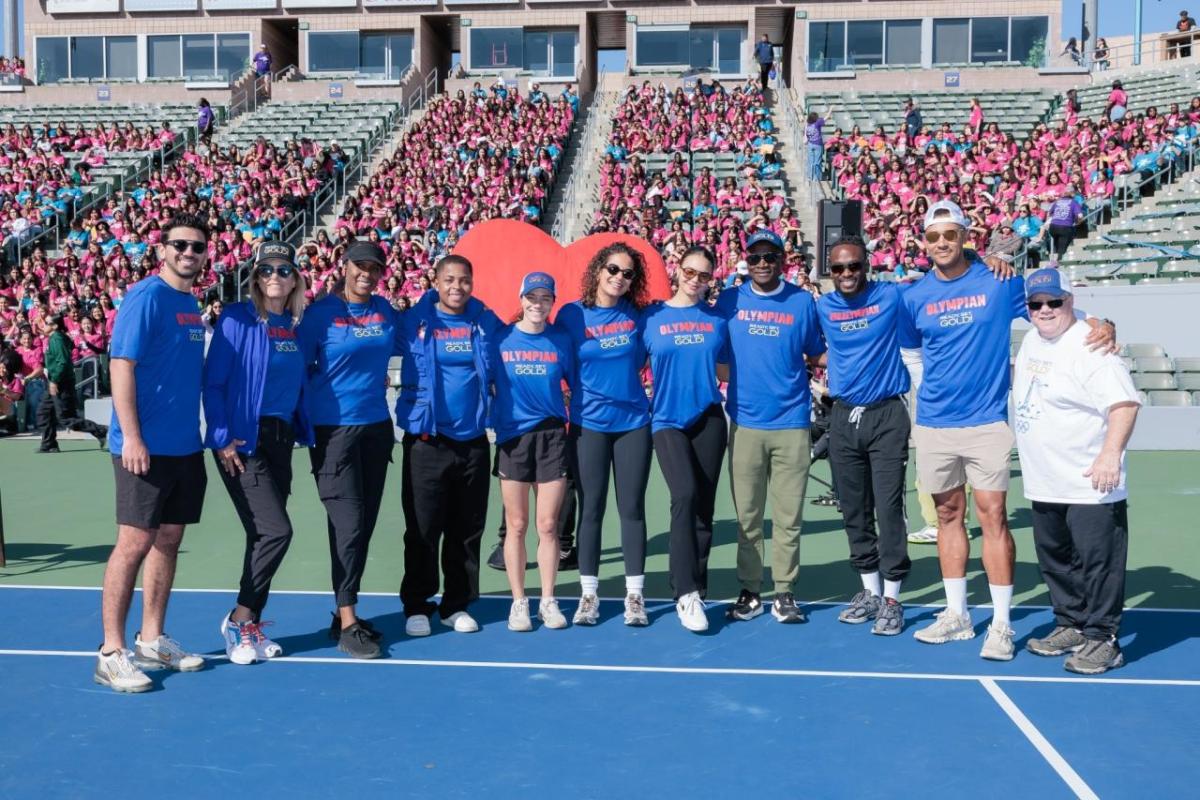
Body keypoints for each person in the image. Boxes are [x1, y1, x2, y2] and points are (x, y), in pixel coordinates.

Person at [896, 200, 1115, 662]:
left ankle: (1000, 624)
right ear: (923, 243)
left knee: (993, 516)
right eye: (933, 237)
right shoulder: (913, 296)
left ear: (964, 237)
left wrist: (1100, 320)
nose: (941, 244)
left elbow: (1052, 307)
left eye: (950, 235)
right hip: (935, 423)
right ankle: (956, 615)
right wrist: (926, 394)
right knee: (947, 516)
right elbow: (911, 353)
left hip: (987, 421)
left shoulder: (996, 282)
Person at [95, 213, 211, 693]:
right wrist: (133, 436)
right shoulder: (145, 297)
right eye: (180, 244)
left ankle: (151, 638)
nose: (188, 252)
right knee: (133, 544)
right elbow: (121, 365)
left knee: (167, 540)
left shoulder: (189, 302)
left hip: (185, 445)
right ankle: (110, 652)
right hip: (143, 447)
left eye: (197, 247)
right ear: (163, 248)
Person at [1014, 269, 1140, 675]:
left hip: (1089, 481)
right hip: (1045, 479)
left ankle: (1104, 638)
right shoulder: (1034, 337)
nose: (1045, 310)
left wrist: (1109, 455)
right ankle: (1071, 623)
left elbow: (1124, 405)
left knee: (1098, 563)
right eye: (1037, 304)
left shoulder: (1091, 346)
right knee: (1055, 559)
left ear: (1070, 300)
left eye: (1055, 301)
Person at [204, 241, 313, 665]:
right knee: (276, 531)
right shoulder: (236, 319)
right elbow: (212, 384)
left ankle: (250, 628)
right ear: (254, 278)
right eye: (265, 270)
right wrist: (221, 437)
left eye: (283, 270)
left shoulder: (294, 325)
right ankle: (238, 617)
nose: (274, 277)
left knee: (261, 535)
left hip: (280, 438)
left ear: (295, 279)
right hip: (242, 441)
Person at [298, 240, 402, 659]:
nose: (367, 274)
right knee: (350, 524)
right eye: (360, 266)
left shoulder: (385, 312)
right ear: (344, 267)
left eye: (374, 268)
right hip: (333, 432)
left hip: (376, 428)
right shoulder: (319, 315)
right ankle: (348, 621)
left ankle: (342, 612)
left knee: (362, 525)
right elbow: (298, 368)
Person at [719, 230, 825, 625]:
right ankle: (750, 591)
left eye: (771, 256)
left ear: (783, 260)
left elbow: (816, 354)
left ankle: (784, 591)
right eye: (756, 256)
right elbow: (712, 355)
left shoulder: (801, 302)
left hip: (792, 423)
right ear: (746, 259)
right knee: (747, 517)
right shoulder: (729, 301)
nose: (763, 263)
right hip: (745, 422)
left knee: (788, 516)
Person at [397, 255, 502, 636]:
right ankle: (418, 605)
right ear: (436, 282)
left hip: (473, 442)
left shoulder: (485, 321)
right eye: (449, 280)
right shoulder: (415, 321)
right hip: (426, 442)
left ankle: (456, 604)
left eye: (464, 281)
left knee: (466, 530)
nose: (457, 287)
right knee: (423, 529)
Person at [813, 236, 912, 635]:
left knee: (887, 509)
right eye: (838, 268)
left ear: (866, 266)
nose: (847, 274)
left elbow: (944, 277)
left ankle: (892, 599)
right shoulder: (823, 307)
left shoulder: (891, 296)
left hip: (886, 414)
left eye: (854, 266)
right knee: (853, 508)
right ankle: (869, 591)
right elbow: (809, 347)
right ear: (830, 272)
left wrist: (979, 256)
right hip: (842, 416)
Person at [555, 243, 654, 627]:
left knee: (632, 509)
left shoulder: (639, 317)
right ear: (598, 270)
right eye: (613, 269)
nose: (619, 277)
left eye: (628, 273)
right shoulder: (571, 315)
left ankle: (634, 596)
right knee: (591, 508)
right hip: (587, 424)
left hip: (633, 424)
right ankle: (589, 595)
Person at [642, 247, 729, 633]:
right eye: (690, 272)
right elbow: (629, 362)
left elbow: (729, 364)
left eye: (705, 275)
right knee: (684, 495)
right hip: (666, 420)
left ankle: (699, 584)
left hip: (708, 418)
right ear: (677, 270)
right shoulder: (653, 316)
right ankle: (684, 592)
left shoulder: (716, 319)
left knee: (704, 509)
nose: (696, 280)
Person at [492, 272, 573, 632]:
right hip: (513, 439)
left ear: (552, 302)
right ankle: (519, 602)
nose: (538, 304)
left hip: (553, 436)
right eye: (532, 297)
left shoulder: (561, 341)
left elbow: (578, 382)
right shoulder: (500, 340)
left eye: (545, 298)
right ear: (521, 298)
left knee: (548, 525)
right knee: (517, 524)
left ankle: (548, 601)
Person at [36, 314, 108, 453]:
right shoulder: (54, 338)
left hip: (60, 384)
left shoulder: (57, 339)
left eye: (47, 323)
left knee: (65, 418)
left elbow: (62, 362)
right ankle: (49, 444)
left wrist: (54, 380)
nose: (44, 325)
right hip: (55, 382)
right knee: (43, 412)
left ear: (55, 326)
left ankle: (100, 430)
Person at [1045, 194, 1085, 260]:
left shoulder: (1057, 202)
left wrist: (1049, 221)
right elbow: (1080, 216)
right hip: (1065, 227)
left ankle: (1058, 256)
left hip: (1053, 227)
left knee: (1058, 243)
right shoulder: (1074, 202)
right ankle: (1059, 259)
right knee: (1063, 244)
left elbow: (1049, 213)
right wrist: (1078, 223)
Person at [805, 109, 828, 181]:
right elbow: (826, 118)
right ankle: (817, 178)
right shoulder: (817, 122)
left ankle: (810, 176)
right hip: (818, 144)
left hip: (810, 144)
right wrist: (830, 110)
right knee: (817, 162)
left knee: (810, 161)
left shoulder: (808, 125)